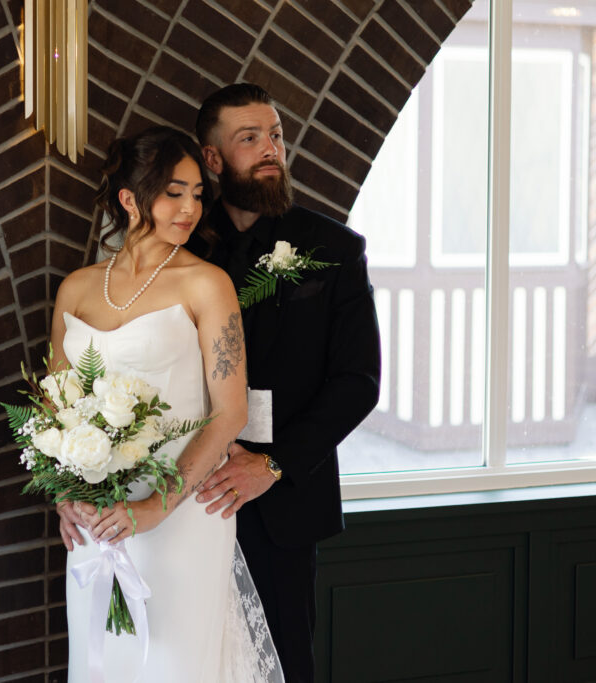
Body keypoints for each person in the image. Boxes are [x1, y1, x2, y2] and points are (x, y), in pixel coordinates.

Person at [50, 126, 282, 681]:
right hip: (96, 520)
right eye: (174, 193)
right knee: (101, 660)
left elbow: (231, 412)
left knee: (174, 665)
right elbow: (55, 411)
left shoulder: (207, 284)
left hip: (180, 514)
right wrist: (65, 496)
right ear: (130, 200)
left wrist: (155, 506)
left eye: (198, 194)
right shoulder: (77, 289)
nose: (190, 208)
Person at [189, 83, 382, 682]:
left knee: (283, 666)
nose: (270, 148)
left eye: (274, 134)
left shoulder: (336, 249)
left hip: (284, 501)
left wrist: (272, 465)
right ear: (214, 159)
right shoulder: (179, 247)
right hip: (185, 492)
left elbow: (359, 381)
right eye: (250, 138)